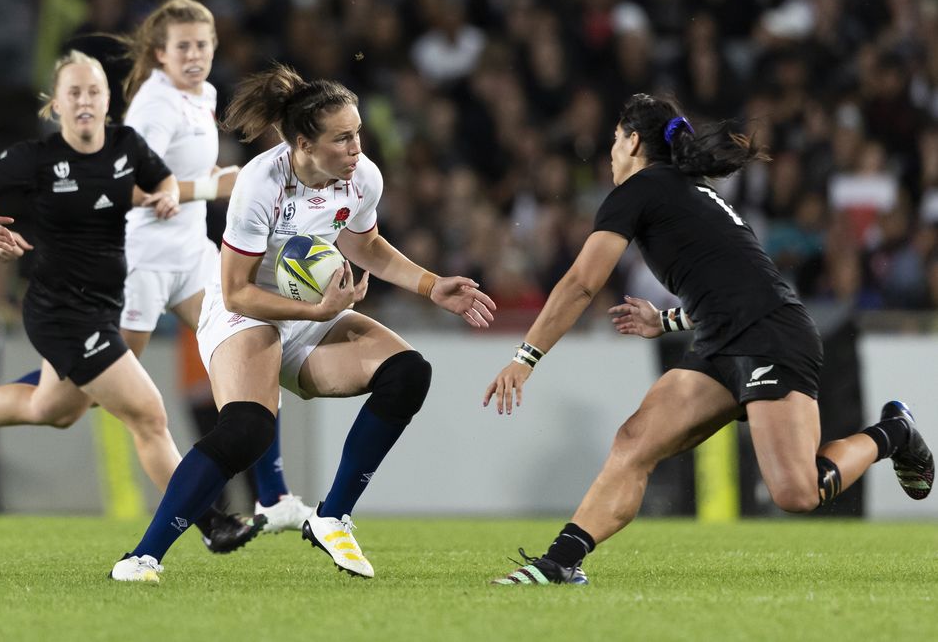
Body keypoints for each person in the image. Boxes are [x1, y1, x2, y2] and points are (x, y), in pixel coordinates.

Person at [484, 93, 934, 586]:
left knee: (797, 493)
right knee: (635, 441)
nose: (611, 152)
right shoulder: (681, 190)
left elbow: (580, 284)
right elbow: (728, 284)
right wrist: (669, 323)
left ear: (634, 141)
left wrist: (525, 357)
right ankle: (559, 563)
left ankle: (895, 432)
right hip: (727, 337)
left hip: (769, 338)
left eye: (615, 140)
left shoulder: (642, 188)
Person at [109, 62, 497, 583]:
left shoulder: (361, 177)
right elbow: (238, 290)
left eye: (357, 133)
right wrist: (317, 311)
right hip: (241, 314)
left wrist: (430, 286)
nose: (356, 148)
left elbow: (364, 243)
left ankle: (332, 516)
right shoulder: (259, 184)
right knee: (247, 429)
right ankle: (141, 557)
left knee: (408, 373)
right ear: (302, 144)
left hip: (311, 313)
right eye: (342, 139)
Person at [0, 50, 258, 553]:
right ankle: (209, 522)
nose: (84, 101)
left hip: (102, 306)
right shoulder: (39, 158)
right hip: (59, 310)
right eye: (73, 92)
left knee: (53, 408)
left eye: (93, 91)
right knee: (149, 414)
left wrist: (183, 191)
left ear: (106, 101)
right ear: (56, 104)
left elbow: (154, 183)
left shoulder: (126, 146)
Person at [116, 0, 313, 535]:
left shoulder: (200, 94)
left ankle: (272, 497)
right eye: (184, 46)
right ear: (160, 53)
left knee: (253, 339)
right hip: (144, 259)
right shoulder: (153, 106)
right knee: (84, 389)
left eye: (203, 44)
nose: (196, 55)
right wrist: (212, 185)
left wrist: (210, 177)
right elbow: (129, 186)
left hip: (191, 255)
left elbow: (175, 176)